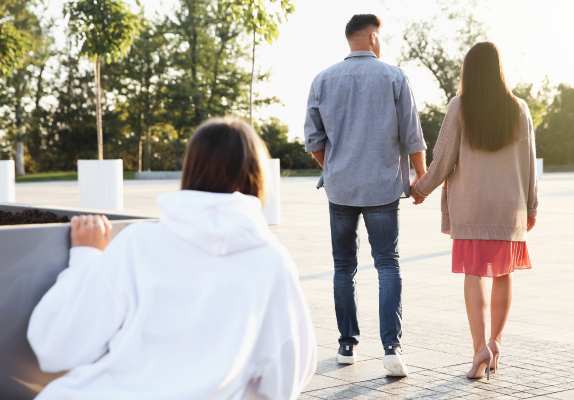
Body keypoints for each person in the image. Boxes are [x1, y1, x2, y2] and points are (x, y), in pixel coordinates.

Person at [27, 118, 317, 399]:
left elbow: (56, 346)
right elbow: (287, 375)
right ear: (258, 176)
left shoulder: (138, 243)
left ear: (190, 169)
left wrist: (86, 257)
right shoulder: (271, 261)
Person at [304, 14, 427, 377]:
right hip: (382, 188)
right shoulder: (393, 76)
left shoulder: (323, 79)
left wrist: (334, 165)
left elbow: (313, 139)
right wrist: (421, 178)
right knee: (387, 264)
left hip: (340, 188)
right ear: (372, 37)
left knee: (344, 267)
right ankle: (392, 350)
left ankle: (346, 345)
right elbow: (412, 134)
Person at [412, 42, 538, 380]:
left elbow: (443, 160)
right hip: (509, 208)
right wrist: (532, 205)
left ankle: (479, 347)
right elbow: (529, 165)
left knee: (474, 276)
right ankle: (496, 343)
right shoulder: (519, 109)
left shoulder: (459, 107)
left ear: (468, 71)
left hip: (472, 207)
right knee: (502, 274)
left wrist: (420, 189)